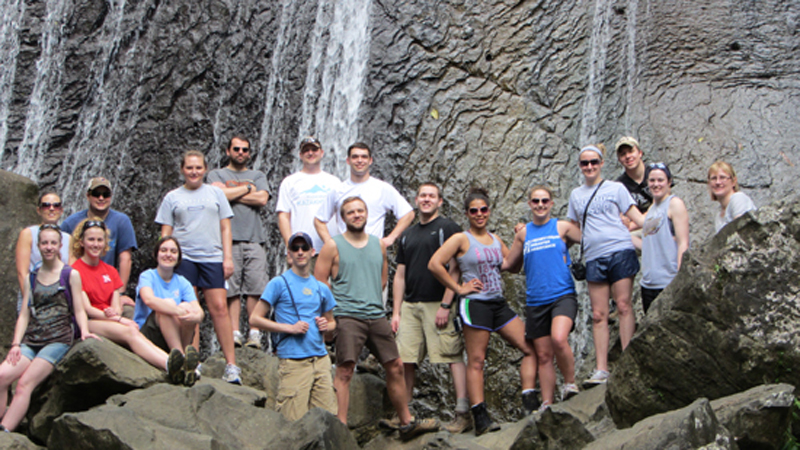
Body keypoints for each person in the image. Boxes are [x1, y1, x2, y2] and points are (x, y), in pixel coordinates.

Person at [314, 197, 438, 440]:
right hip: (347, 316)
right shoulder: (332, 246)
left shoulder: (378, 245)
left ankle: (406, 421)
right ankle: (341, 426)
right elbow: (320, 284)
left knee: (396, 365)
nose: (356, 215)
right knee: (345, 369)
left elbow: (383, 280)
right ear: (343, 218)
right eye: (350, 212)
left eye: (360, 210)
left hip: (376, 315)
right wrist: (331, 317)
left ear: (367, 214)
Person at [428, 188, 537, 435]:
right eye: (474, 210)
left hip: (498, 303)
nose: (479, 214)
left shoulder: (496, 239)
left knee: (530, 348)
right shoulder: (461, 239)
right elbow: (434, 264)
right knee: (476, 361)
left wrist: (520, 240)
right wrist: (458, 288)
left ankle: (529, 403)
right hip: (475, 303)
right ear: (467, 213)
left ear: (489, 211)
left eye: (483, 210)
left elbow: (513, 267)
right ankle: (481, 418)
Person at [0, 225, 98, 432]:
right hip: (32, 339)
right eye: (44, 243)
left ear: (60, 246)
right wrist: (16, 343)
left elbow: (80, 310)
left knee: (24, 383)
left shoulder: (70, 274)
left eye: (53, 243)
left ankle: (5, 432)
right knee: (2, 376)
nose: (48, 247)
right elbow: (25, 313)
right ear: (38, 245)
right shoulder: (31, 277)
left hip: (58, 339)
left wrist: (85, 331)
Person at [155, 150, 241, 384]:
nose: (194, 172)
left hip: (212, 257)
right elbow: (166, 233)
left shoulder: (216, 193)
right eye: (189, 168)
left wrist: (228, 258)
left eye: (198, 168)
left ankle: (231, 365)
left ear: (205, 169)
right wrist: (165, 260)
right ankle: (194, 363)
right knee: (189, 312)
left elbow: (225, 228)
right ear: (182, 169)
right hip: (184, 260)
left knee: (220, 308)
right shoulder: (172, 197)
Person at [390, 183, 470, 433]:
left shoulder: (448, 228)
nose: (426, 200)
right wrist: (396, 311)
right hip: (410, 305)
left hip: (438, 303)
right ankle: (404, 413)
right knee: (406, 360)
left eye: (431, 196)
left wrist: (447, 304)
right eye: (422, 196)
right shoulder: (407, 234)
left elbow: (456, 268)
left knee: (452, 356)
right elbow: (400, 275)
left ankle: (463, 412)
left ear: (440, 202)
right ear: (416, 200)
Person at [567, 144, 645, 388]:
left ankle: (628, 360)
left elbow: (638, 217)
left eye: (593, 162)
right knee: (599, 314)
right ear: (580, 167)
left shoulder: (616, 188)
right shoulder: (576, 195)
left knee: (623, 305)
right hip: (594, 256)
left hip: (620, 250)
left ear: (601, 164)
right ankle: (601, 369)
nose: (589, 167)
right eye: (584, 163)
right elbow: (571, 228)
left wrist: (664, 222)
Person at [70, 219, 187, 379]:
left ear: (105, 242)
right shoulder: (75, 271)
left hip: (110, 318)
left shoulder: (110, 270)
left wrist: (115, 313)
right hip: (90, 321)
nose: (95, 244)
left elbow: (116, 302)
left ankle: (178, 363)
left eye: (99, 240)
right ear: (81, 242)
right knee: (130, 330)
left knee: (134, 330)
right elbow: (87, 309)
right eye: (91, 239)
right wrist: (119, 319)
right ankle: (169, 365)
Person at [503, 186, 582, 409]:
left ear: (551, 203)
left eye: (544, 201)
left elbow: (590, 239)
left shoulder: (563, 227)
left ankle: (570, 384)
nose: (540, 205)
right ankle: (547, 403)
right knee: (544, 355)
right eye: (536, 201)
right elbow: (509, 264)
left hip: (562, 295)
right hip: (536, 300)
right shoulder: (523, 233)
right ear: (529, 204)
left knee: (558, 338)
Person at [250, 232, 337, 421]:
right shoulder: (278, 283)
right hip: (293, 361)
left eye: (304, 248)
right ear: (288, 254)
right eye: (295, 248)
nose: (300, 252)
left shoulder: (322, 287)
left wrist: (326, 325)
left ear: (313, 252)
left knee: (326, 422)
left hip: (321, 360)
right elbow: (254, 319)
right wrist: (289, 328)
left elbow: (332, 322)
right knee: (292, 423)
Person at [207, 136, 270, 349]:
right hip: (227, 241)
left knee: (255, 287)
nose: (241, 152)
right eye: (236, 149)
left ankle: (254, 333)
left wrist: (228, 194)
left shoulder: (258, 175)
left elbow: (262, 199)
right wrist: (247, 190)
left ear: (249, 153)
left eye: (245, 149)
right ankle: (234, 332)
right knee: (231, 290)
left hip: (255, 239)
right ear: (228, 151)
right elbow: (214, 196)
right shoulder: (216, 174)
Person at [314, 142, 414, 248]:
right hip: (345, 251)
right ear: (348, 161)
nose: (360, 160)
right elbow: (319, 220)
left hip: (373, 250)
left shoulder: (382, 188)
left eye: (364, 157)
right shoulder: (338, 190)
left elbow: (408, 214)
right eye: (355, 157)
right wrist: (330, 243)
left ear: (370, 161)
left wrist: (391, 238)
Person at [134, 236, 204, 385]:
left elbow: (199, 312)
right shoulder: (147, 276)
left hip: (175, 335)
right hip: (149, 336)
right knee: (167, 305)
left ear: (178, 257)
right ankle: (181, 361)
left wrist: (193, 315)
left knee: (188, 308)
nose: (168, 254)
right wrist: (176, 311)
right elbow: (149, 300)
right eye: (163, 250)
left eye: (173, 251)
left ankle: (181, 357)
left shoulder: (182, 282)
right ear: (156, 254)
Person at [61, 177, 138, 311]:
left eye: (106, 194)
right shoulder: (70, 223)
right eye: (96, 194)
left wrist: (120, 293)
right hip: (81, 286)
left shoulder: (121, 221)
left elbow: (125, 259)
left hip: (107, 286)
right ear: (88, 196)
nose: (101, 198)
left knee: (129, 312)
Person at [637, 163, 690, 313]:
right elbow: (649, 244)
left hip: (668, 281)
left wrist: (681, 277)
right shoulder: (652, 209)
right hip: (648, 283)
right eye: (652, 180)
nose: (656, 184)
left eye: (660, 180)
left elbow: (683, 242)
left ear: (669, 181)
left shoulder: (674, 204)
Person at [277, 136, 342, 253]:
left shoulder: (334, 182)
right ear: (300, 155)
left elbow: (342, 215)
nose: (310, 153)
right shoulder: (289, 182)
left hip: (330, 250)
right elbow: (283, 216)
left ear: (321, 153)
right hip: (301, 251)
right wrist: (290, 247)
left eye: (314, 150)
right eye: (306, 150)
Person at [15, 191, 72, 312]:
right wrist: (30, 300)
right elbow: (22, 272)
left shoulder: (68, 238)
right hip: (33, 292)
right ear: (38, 210)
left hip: (59, 297)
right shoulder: (28, 234)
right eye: (46, 205)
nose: (51, 209)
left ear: (61, 210)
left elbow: (71, 272)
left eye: (56, 205)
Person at [708, 161, 756, 233]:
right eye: (714, 178)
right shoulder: (718, 216)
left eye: (723, 177)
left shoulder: (738, 199)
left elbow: (741, 232)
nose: (718, 182)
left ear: (733, 181)